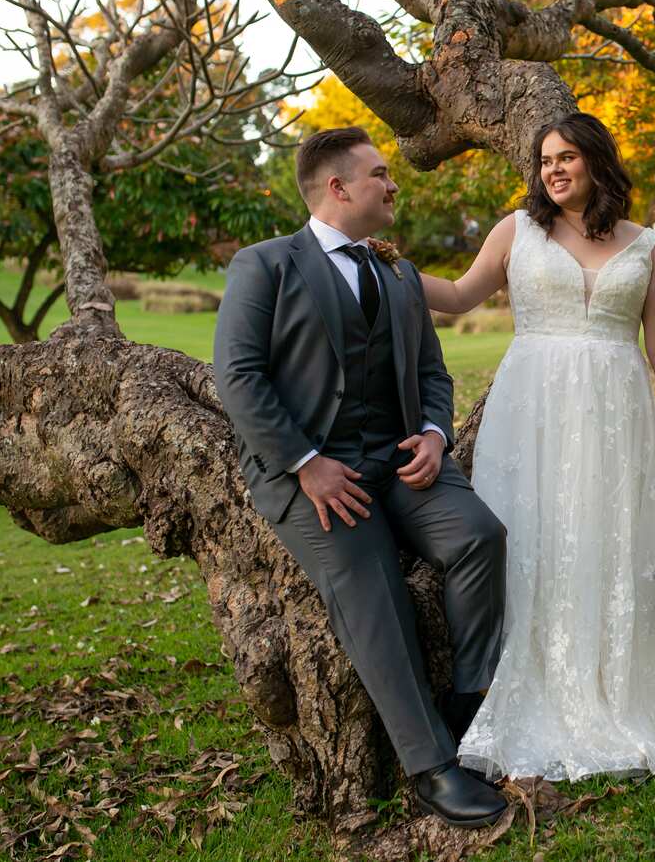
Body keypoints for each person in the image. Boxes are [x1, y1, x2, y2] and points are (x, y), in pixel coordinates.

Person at [419, 112, 655, 782]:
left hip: (615, 416)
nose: (552, 170)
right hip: (534, 413)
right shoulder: (516, 231)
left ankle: (614, 685)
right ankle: (527, 680)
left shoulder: (646, 248)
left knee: (607, 540)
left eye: (566, 158)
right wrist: (393, 272)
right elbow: (461, 296)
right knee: (533, 539)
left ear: (596, 162)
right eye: (545, 160)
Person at [213, 127, 508, 828]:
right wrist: (307, 465)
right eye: (380, 173)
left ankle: (468, 706)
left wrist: (437, 437)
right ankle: (432, 767)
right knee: (374, 591)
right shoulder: (266, 266)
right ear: (338, 188)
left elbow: (433, 375)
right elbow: (239, 377)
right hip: (311, 474)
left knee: (479, 536)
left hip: (402, 465)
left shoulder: (399, 274)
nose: (393, 183)